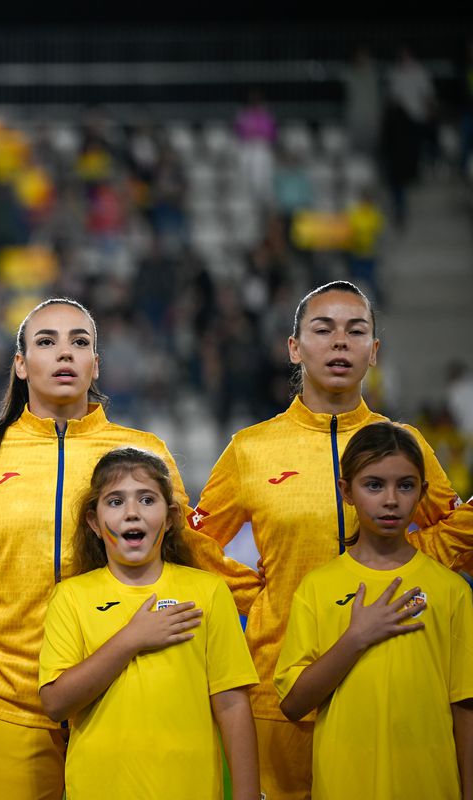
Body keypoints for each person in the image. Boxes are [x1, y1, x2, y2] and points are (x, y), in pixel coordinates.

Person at [0, 297, 247, 799]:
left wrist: (266, 598)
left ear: (96, 363)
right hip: (14, 700)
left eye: (80, 343)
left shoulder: (142, 453)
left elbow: (191, 549)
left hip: (125, 695)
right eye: (46, 342)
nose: (64, 354)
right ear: (20, 363)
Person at [189, 280, 473, 800]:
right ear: (295, 348)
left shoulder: (404, 443)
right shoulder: (251, 449)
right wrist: (260, 596)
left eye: (355, 330)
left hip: (394, 676)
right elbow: (193, 537)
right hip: (283, 686)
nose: (340, 342)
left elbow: (456, 525)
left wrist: (411, 564)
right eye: (323, 329)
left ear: (374, 351)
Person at [38, 448, 259, 800]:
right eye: (114, 502)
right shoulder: (71, 596)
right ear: (94, 522)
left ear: (170, 517)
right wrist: (131, 639)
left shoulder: (208, 591)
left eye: (146, 499)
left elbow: (232, 704)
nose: (131, 513)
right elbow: (56, 703)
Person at [275, 423, 473, 799]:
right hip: (344, 785)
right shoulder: (318, 588)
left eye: (405, 485)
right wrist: (356, 638)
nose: (391, 500)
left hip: (430, 786)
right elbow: (294, 704)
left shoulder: (451, 590)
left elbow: (466, 708)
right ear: (346, 491)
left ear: (422, 493)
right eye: (374, 485)